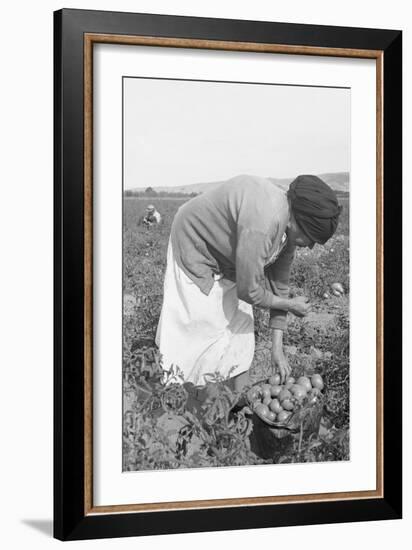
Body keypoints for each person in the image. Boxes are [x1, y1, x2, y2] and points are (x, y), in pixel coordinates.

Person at [155, 174, 341, 408]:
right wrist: (290, 306)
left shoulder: (288, 231)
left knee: (241, 331)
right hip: (196, 246)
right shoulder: (264, 222)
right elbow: (249, 292)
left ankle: (241, 404)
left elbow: (279, 287)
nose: (311, 246)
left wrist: (277, 349)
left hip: (230, 261)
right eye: (311, 238)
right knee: (205, 331)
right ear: (298, 221)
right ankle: (195, 406)